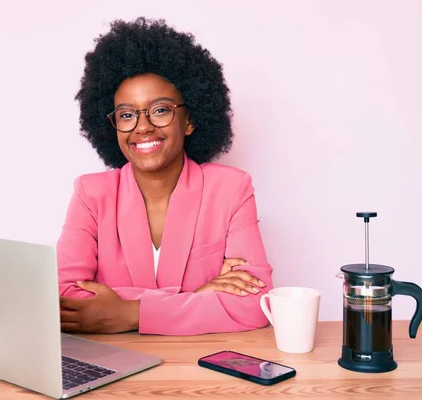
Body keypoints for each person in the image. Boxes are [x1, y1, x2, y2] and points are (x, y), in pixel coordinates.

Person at [57, 17, 273, 336]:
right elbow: (63, 301)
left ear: (189, 120)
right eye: (127, 115)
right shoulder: (91, 195)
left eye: (160, 110)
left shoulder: (231, 189)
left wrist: (131, 312)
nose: (142, 127)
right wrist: (199, 296)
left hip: (199, 372)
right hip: (114, 366)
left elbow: (257, 303)